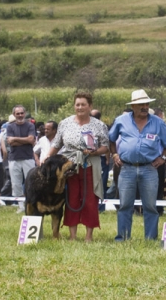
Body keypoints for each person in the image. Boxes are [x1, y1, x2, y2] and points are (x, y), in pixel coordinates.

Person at [109, 90, 166, 241]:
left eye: (147, 104)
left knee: (150, 206)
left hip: (149, 168)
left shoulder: (158, 122)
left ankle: (150, 238)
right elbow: (111, 138)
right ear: (133, 106)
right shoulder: (121, 120)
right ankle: (123, 238)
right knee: (125, 205)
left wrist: (163, 157)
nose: (145, 107)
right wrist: (115, 154)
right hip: (127, 168)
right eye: (141, 104)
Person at [48, 92, 109, 241]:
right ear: (74, 106)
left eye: (83, 104)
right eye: (77, 104)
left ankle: (89, 236)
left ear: (90, 106)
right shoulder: (65, 123)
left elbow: (106, 147)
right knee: (72, 199)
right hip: (69, 168)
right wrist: (46, 159)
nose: (80, 107)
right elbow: (56, 145)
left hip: (90, 165)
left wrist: (95, 152)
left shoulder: (99, 125)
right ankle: (72, 236)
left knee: (90, 200)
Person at [6, 105, 36, 214]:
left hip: (28, 157)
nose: (20, 115)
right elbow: (10, 142)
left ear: (25, 113)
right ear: (14, 115)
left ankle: (32, 204)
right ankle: (21, 206)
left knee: (31, 182)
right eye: (17, 113)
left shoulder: (30, 125)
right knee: (15, 183)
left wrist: (15, 139)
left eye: (21, 113)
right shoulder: (10, 127)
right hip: (14, 158)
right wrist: (25, 140)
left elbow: (31, 139)